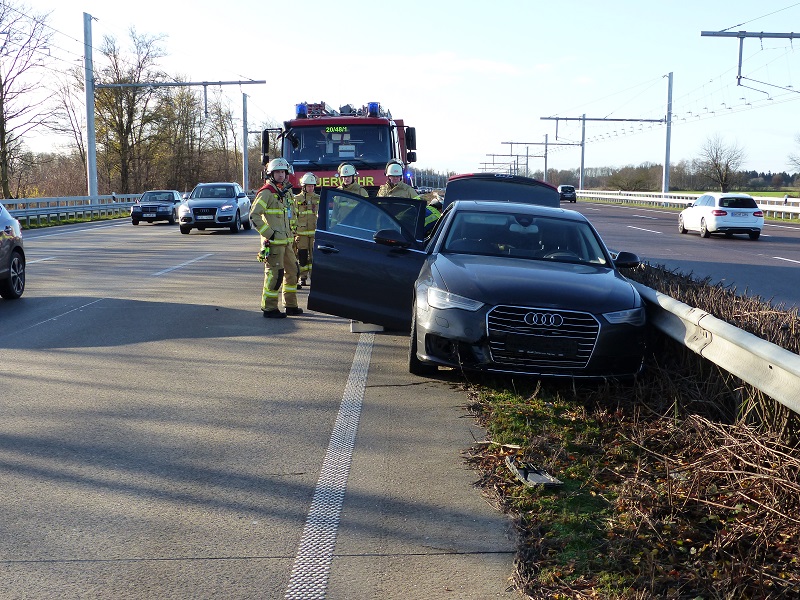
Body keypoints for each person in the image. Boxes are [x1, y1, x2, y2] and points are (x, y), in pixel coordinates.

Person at [250, 157, 303, 318]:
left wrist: (293, 233)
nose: (281, 175)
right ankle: (269, 308)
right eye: (277, 172)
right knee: (275, 275)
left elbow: (291, 215)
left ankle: (291, 305)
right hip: (274, 244)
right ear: (271, 174)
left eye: (283, 172)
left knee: (293, 272)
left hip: (287, 242)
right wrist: (270, 234)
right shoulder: (267, 193)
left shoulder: (286, 192)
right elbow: (254, 216)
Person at [377, 160, 441, 237]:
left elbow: (418, 208)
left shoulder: (408, 190)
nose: (395, 178)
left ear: (401, 176)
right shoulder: (382, 189)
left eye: (397, 176)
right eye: (393, 176)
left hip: (400, 227)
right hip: (381, 226)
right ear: (388, 176)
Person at [293, 172, 319, 289]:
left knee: (314, 257)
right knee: (302, 256)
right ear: (303, 186)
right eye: (309, 186)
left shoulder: (318, 199)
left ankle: (314, 278)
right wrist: (294, 232)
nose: (311, 188)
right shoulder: (297, 199)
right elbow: (293, 216)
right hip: (301, 234)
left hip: (314, 233)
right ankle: (302, 278)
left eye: (312, 186)